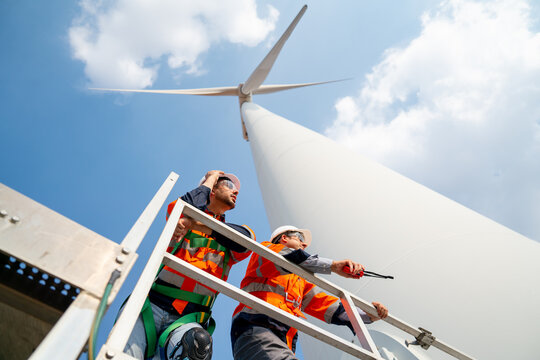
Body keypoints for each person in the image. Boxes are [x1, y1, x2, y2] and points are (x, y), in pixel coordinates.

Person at [124, 170, 256, 360]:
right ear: (211, 189)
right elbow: (182, 208)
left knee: (197, 344)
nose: (235, 192)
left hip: (188, 317)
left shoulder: (233, 234)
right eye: (229, 185)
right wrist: (210, 178)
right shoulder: (181, 211)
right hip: (149, 307)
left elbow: (245, 241)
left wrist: (195, 224)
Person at [230, 225, 388, 360]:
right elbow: (291, 257)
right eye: (299, 237)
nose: (304, 244)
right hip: (256, 328)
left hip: (281, 340)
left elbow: (333, 309)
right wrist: (333, 266)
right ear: (284, 238)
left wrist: (368, 315)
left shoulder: (299, 282)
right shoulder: (267, 250)